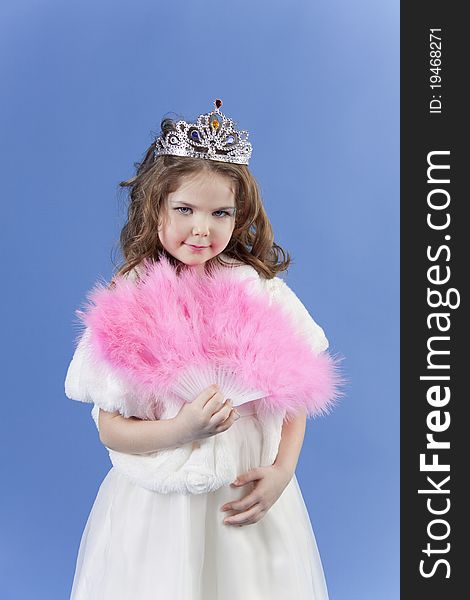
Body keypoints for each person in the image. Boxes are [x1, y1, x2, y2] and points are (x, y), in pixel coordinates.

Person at [65, 99, 340, 599]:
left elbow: (296, 390)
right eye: (185, 209)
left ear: (241, 215)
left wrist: (283, 470)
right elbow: (110, 428)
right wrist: (181, 428)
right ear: (156, 209)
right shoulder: (131, 300)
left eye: (221, 213)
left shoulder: (258, 290)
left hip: (244, 493)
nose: (202, 228)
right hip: (160, 507)